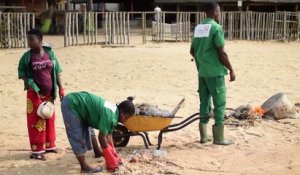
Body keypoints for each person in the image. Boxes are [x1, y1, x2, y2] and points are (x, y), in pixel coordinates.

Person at [190, 2, 236, 145]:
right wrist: (231, 69)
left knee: (204, 102)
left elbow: (192, 51)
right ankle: (219, 138)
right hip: (215, 73)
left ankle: (204, 136)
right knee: (220, 103)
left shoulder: (199, 28)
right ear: (215, 12)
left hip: (202, 73)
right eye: (219, 12)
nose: (219, 15)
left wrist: (201, 63)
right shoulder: (216, 28)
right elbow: (221, 52)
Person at [18, 28, 64, 160]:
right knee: (36, 121)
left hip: (50, 94)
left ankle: (49, 145)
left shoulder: (50, 54)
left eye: (32, 40)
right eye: (28, 40)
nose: (29, 43)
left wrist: (61, 88)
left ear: (40, 41)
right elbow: (22, 74)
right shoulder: (27, 57)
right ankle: (37, 151)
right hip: (35, 95)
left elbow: (57, 71)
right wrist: (32, 84)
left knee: (49, 118)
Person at [60, 91, 135, 173]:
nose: (126, 121)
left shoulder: (114, 112)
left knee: (90, 130)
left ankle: (97, 152)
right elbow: (102, 138)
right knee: (76, 134)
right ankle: (84, 167)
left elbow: (109, 135)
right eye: (126, 117)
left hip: (83, 105)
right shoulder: (110, 116)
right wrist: (110, 158)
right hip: (72, 103)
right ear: (123, 113)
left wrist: (114, 155)